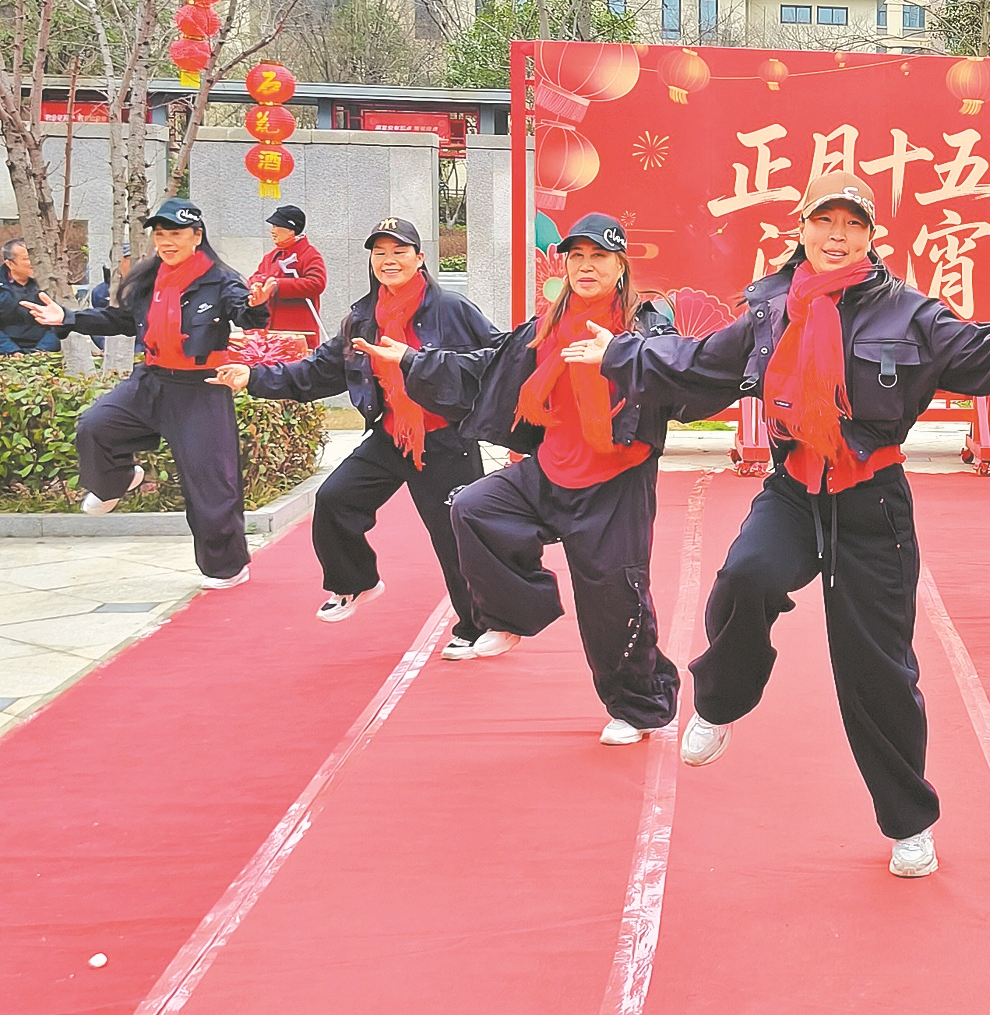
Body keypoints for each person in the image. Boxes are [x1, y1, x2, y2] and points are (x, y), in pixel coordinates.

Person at [592, 171, 990, 879]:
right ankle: (720, 703)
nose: (837, 237)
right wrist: (619, 353)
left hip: (873, 505)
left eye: (852, 224)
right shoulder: (770, 308)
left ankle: (910, 823)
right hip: (795, 489)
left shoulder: (908, 313)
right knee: (745, 577)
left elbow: (982, 354)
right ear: (801, 229)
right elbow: (700, 363)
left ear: (872, 236)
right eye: (824, 222)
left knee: (877, 672)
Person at [358, 213, 689, 739]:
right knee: (474, 507)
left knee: (613, 599)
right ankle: (513, 614)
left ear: (621, 265)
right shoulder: (544, 328)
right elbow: (485, 366)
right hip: (552, 468)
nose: (586, 267)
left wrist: (623, 355)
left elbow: (677, 369)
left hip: (616, 481)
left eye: (599, 257)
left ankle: (638, 707)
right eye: (576, 257)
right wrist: (414, 362)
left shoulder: (643, 324)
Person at [214, 218, 502, 642]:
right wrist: (253, 376)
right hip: (391, 435)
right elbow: (318, 372)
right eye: (380, 253)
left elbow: (496, 358)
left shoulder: (452, 309)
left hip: (445, 441)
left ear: (420, 258)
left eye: (399, 251)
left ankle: (478, 626)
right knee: (334, 500)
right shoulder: (363, 317)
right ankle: (356, 582)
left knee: (455, 537)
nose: (389, 261)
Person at [27, 199, 267, 588]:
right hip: (151, 380)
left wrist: (257, 306)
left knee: (210, 486)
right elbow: (121, 320)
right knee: (95, 426)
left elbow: (246, 314)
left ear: (197, 236)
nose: (166, 242)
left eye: (175, 234)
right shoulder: (149, 278)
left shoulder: (221, 279)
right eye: (160, 234)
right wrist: (67, 317)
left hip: (201, 389)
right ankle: (116, 481)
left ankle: (227, 567)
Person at [248, 204, 328, 347]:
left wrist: (278, 285)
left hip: (298, 334)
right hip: (270, 333)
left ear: (291, 230)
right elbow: (255, 277)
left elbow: (317, 283)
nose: (272, 231)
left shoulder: (309, 254)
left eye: (276, 226)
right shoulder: (271, 256)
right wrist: (258, 286)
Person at [0, 238, 61, 354]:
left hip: (45, 351)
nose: (33, 262)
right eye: (27, 258)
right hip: (6, 352)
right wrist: (12, 351)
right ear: (9, 264)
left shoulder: (50, 283)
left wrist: (42, 350)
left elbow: (59, 321)